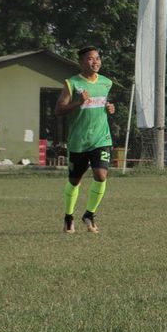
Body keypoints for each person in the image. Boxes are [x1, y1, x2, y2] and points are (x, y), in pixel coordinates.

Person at [55, 46, 115, 233]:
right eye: (90, 59)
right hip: (78, 141)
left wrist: (109, 108)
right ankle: (68, 217)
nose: (95, 61)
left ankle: (89, 214)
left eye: (97, 58)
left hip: (101, 138)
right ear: (81, 62)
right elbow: (59, 110)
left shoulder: (106, 83)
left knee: (101, 175)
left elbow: (103, 104)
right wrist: (78, 102)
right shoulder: (71, 83)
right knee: (74, 181)